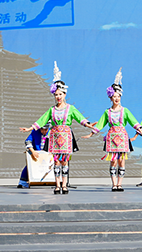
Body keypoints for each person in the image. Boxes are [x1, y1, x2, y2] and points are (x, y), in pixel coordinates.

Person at [20, 61, 98, 195]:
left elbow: (80, 117)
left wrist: (88, 124)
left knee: (65, 162)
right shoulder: (52, 110)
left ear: (65, 94)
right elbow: (42, 119)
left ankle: (64, 185)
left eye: (60, 94)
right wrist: (30, 128)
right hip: (55, 136)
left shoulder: (70, 109)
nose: (58, 97)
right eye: (56, 94)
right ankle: (57, 186)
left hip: (66, 136)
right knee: (56, 162)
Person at [83, 68, 142, 192]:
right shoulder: (107, 112)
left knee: (121, 161)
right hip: (111, 138)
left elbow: (134, 122)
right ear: (110, 98)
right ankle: (113, 184)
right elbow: (100, 124)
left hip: (122, 137)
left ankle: (120, 184)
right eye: (114, 96)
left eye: (118, 96)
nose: (116, 98)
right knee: (113, 161)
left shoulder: (125, 111)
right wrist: (91, 134)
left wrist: (141, 131)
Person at [18, 123, 49, 188]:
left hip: (49, 154)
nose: (43, 131)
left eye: (45, 130)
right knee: (29, 166)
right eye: (42, 129)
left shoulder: (52, 132)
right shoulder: (35, 132)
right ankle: (22, 183)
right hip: (37, 153)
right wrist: (33, 151)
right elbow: (28, 141)